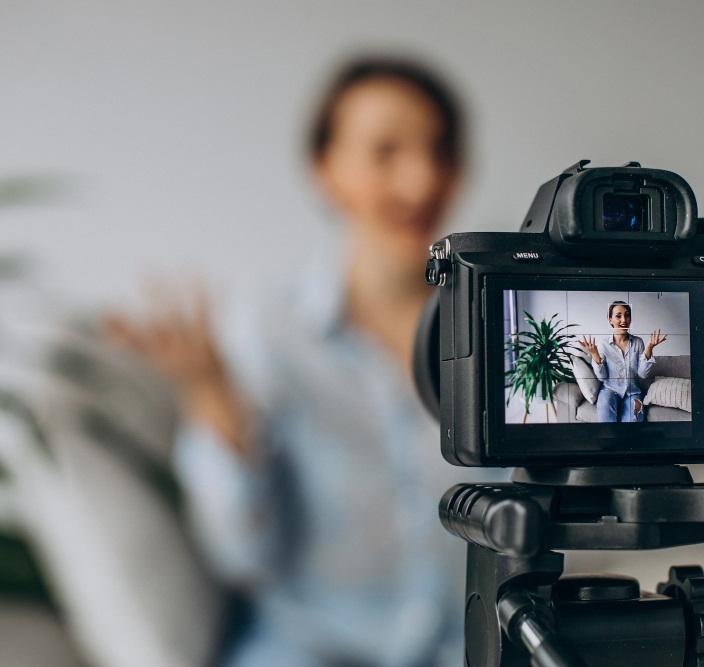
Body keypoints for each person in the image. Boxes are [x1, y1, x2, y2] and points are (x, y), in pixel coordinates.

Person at [106, 56, 471, 667]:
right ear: (325, 169)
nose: (421, 181)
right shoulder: (266, 330)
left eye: (441, 150)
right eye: (386, 152)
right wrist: (212, 401)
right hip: (310, 649)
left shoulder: (505, 329)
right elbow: (244, 557)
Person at [577, 301, 667, 423]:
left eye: (627, 315)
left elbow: (642, 374)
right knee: (606, 418)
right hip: (609, 389)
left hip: (633, 391)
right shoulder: (604, 344)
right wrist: (594, 354)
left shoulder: (638, 342)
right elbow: (602, 377)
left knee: (634, 420)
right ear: (610, 320)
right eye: (618, 316)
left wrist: (649, 348)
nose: (624, 320)